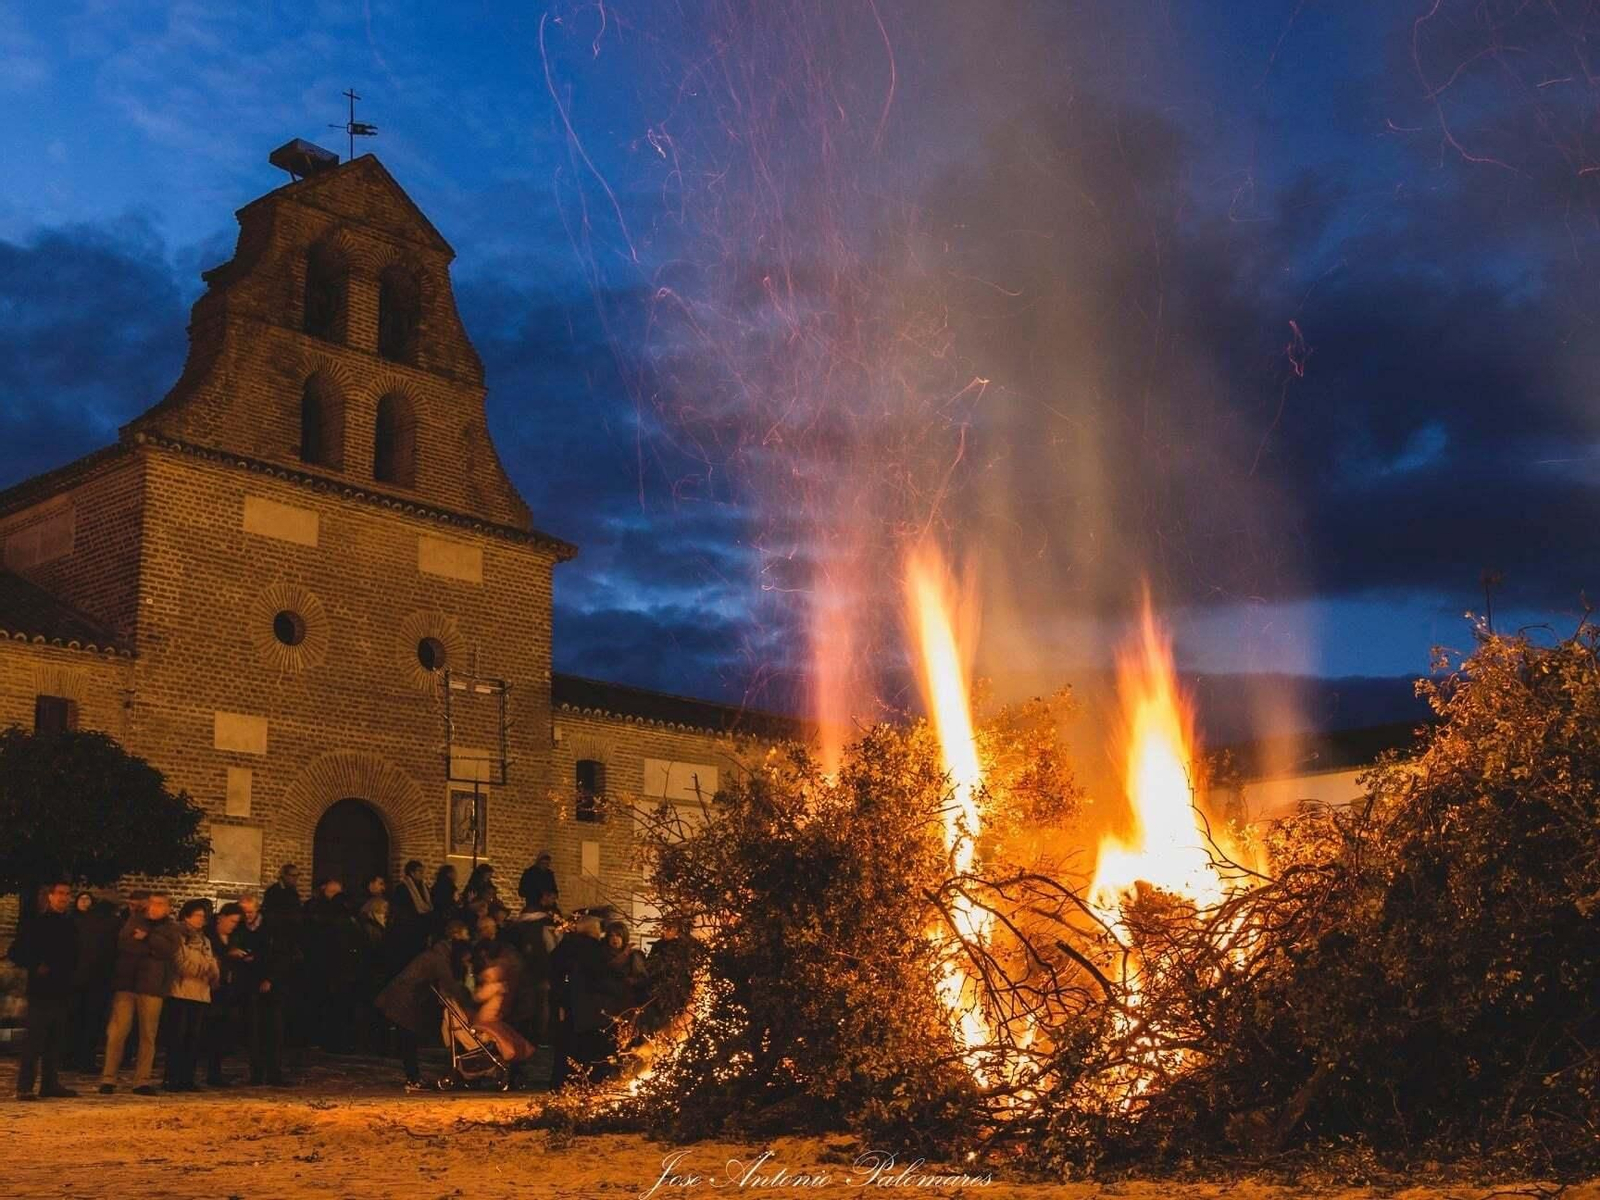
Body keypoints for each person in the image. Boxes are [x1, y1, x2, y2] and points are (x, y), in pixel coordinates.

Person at [375, 920, 472, 1090]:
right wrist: (467, 999)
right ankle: (413, 1078)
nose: (468, 937)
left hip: (404, 997)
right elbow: (448, 983)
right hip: (404, 999)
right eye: (465, 934)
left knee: (409, 1038)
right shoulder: (439, 957)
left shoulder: (437, 953)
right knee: (409, 1038)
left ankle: (413, 1076)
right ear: (455, 936)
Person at [99, 891, 180, 1095]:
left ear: (168, 908)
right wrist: (151, 950)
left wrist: (148, 938)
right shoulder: (135, 920)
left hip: (152, 986)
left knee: (148, 1035)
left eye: (160, 904)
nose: (155, 907)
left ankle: (141, 1080)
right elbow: (125, 943)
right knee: (117, 1032)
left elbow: (169, 950)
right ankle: (108, 1077)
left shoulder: (171, 928)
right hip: (127, 983)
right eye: (152, 903)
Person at [8, 880, 79, 1100]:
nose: (63, 898)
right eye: (59, 893)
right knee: (35, 1040)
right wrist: (36, 964)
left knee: (55, 1040)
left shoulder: (69, 924)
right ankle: (25, 1086)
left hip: (62, 988)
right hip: (41, 990)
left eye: (67, 894)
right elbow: (16, 952)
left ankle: (50, 1083)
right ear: (49, 896)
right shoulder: (36, 923)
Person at [551, 914, 629, 1087]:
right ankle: (589, 1083)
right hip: (590, 1010)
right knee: (589, 1050)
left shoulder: (566, 947)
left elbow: (554, 971)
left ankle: (563, 1084)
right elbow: (600, 979)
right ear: (593, 930)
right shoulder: (593, 950)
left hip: (570, 1006)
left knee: (567, 1048)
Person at [234, 893, 292, 1086]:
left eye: (250, 912)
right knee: (254, 1029)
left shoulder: (271, 928)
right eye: (244, 912)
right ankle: (257, 1072)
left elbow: (280, 955)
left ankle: (274, 1071)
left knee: (273, 1029)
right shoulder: (240, 929)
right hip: (249, 983)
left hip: (271, 984)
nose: (247, 916)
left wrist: (270, 978)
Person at [162, 900, 219, 1092]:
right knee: (177, 1036)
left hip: (201, 994)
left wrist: (212, 972)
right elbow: (179, 961)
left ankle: (187, 1078)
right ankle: (172, 1078)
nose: (202, 920)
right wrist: (202, 970)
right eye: (198, 915)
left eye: (204, 916)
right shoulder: (178, 936)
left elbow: (211, 961)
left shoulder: (205, 940)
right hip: (181, 991)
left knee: (193, 1039)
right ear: (187, 916)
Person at [66, 893, 121, 1072]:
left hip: (77, 978)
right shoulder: (111, 924)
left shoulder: (77, 922)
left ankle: (69, 1058)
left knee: (74, 1020)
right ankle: (85, 1060)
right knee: (91, 1022)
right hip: (98, 980)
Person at [470, 939, 536, 1075]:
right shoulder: (503, 982)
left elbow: (478, 997)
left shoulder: (493, 984)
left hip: (486, 1019)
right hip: (495, 1016)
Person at [204, 902, 246, 1086]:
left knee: (224, 1030)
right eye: (231, 921)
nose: (233, 926)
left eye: (236, 923)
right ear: (221, 918)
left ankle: (216, 1071)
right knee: (211, 1030)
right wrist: (229, 955)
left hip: (229, 989)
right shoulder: (210, 936)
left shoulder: (234, 937)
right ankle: (211, 1072)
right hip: (213, 989)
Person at [391, 860, 433, 952]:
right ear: (412, 872)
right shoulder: (402, 888)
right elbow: (401, 908)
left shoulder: (424, 887)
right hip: (409, 928)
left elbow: (428, 904)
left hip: (423, 926)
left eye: (422, 871)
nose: (422, 873)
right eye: (419, 871)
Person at [429, 865, 460, 933]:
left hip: (437, 916)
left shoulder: (436, 886)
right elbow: (455, 901)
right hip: (447, 916)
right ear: (449, 874)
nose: (456, 874)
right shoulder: (451, 887)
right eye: (454, 872)